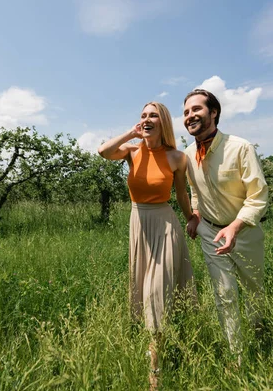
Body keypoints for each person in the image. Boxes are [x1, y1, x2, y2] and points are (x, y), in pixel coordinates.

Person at [98, 101, 196, 389]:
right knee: (144, 290)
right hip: (138, 224)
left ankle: (155, 370)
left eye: (153, 115)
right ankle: (156, 346)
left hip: (165, 226)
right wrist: (131, 134)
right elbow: (103, 152)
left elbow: (181, 194)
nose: (147, 119)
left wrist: (191, 219)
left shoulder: (177, 157)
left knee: (157, 293)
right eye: (143, 115)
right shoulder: (132, 151)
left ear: (163, 121)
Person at [182, 89, 269, 357]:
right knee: (225, 295)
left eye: (196, 109)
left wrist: (235, 227)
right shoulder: (187, 155)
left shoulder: (240, 148)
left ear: (214, 112)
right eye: (185, 112)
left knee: (255, 291)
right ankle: (237, 356)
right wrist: (196, 215)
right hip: (210, 232)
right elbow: (195, 190)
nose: (189, 116)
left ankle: (261, 339)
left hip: (244, 232)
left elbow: (258, 196)